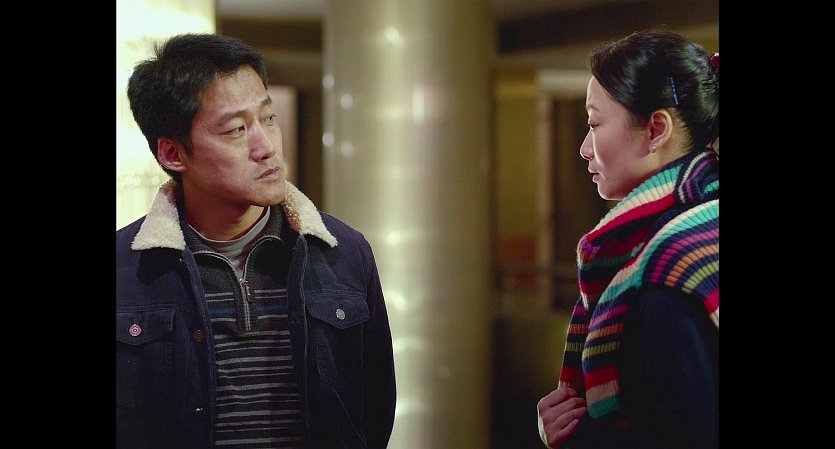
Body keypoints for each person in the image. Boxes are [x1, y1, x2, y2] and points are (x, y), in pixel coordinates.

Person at [116, 33, 396, 449]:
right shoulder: (127, 270)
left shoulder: (342, 251)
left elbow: (372, 414)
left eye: (268, 118)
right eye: (236, 130)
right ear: (173, 154)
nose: (266, 147)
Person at [536, 28, 719, 449]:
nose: (585, 148)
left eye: (594, 123)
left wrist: (577, 437)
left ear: (656, 130)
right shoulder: (703, 226)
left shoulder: (669, 268)